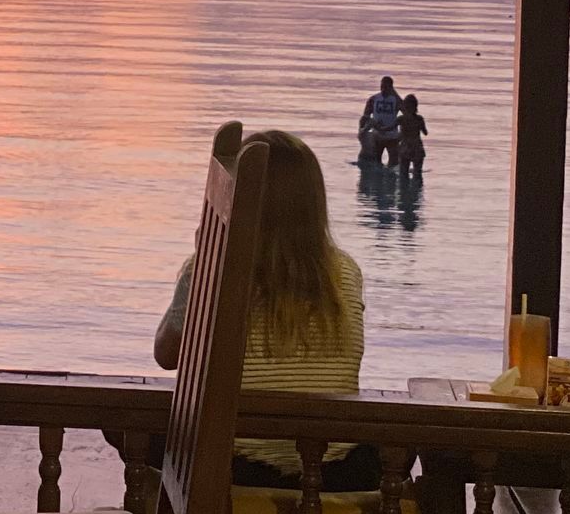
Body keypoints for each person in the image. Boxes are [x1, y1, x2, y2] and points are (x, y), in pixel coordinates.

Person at [154, 129, 374, 489]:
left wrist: (206, 257)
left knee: (134, 428)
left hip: (235, 466)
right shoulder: (345, 271)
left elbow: (167, 354)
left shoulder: (209, 269)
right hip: (331, 472)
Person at [359, 76, 404, 167]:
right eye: (382, 86)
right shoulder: (373, 99)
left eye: (386, 87)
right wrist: (366, 129)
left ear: (391, 87)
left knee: (394, 163)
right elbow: (365, 117)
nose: (383, 89)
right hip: (377, 135)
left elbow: (406, 113)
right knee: (376, 163)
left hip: (392, 136)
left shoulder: (396, 100)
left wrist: (402, 134)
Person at [398, 94, 429, 171]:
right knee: (418, 174)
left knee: (403, 175)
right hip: (417, 148)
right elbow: (425, 133)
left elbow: (388, 128)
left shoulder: (401, 119)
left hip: (405, 148)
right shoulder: (419, 119)